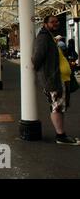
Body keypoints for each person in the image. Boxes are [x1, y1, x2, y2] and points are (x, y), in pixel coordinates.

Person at [32, 15, 78, 145]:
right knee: (56, 107)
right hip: (54, 79)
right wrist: (44, 74)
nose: (56, 23)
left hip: (61, 78)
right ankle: (60, 136)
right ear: (45, 24)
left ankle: (61, 134)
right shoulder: (43, 38)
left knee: (60, 107)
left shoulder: (50, 37)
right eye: (52, 22)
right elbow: (37, 58)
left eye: (57, 21)